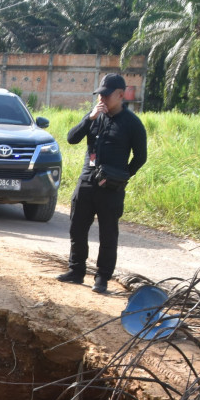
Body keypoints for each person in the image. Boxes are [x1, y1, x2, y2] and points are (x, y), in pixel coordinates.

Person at [57, 73, 148, 294]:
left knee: (108, 234)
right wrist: (89, 118)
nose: (102, 99)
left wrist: (122, 177)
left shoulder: (132, 123)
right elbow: (71, 139)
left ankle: (102, 277)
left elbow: (140, 157)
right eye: (100, 95)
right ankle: (76, 271)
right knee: (77, 227)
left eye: (106, 95)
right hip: (87, 180)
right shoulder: (94, 116)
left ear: (120, 95)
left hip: (111, 187)